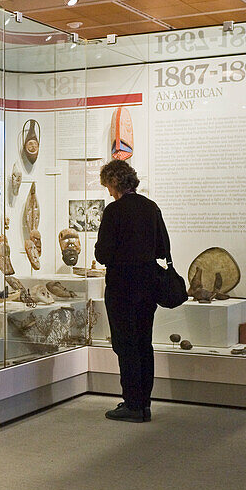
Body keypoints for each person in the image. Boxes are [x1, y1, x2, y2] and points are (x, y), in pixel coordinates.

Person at [94, 159, 171, 423]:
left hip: (122, 285)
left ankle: (132, 404)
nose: (107, 191)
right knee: (143, 343)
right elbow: (163, 248)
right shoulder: (150, 207)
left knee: (125, 345)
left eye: (107, 185)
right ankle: (144, 403)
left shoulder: (114, 212)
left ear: (114, 182)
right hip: (148, 284)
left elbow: (102, 254)